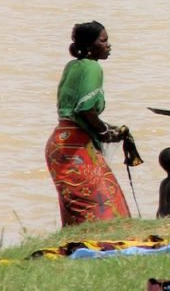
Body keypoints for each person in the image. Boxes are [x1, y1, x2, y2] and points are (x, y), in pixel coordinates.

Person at [45, 21, 131, 226]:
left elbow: (73, 113)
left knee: (80, 210)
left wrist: (108, 127)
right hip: (74, 149)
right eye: (104, 40)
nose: (109, 45)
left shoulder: (73, 66)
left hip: (60, 143)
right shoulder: (92, 67)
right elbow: (84, 110)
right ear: (90, 46)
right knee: (105, 207)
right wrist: (104, 131)